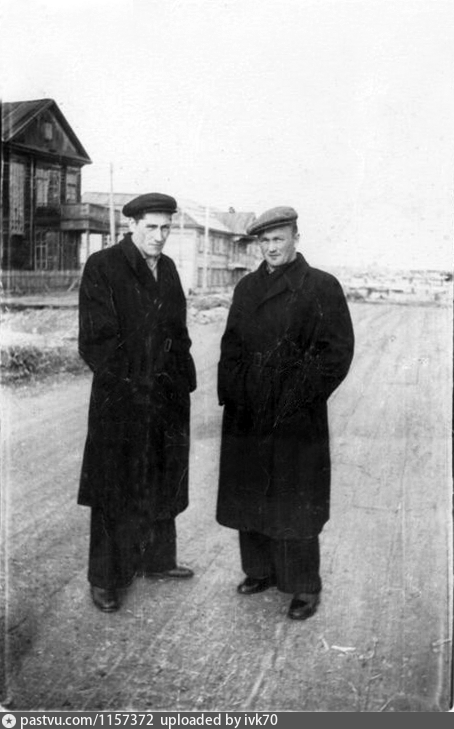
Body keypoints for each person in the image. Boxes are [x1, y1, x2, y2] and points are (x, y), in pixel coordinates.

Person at [216, 206, 354, 620]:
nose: (271, 248)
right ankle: (259, 571)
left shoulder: (321, 286)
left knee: (296, 498)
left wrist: (297, 395)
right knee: (251, 492)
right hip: (249, 409)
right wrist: (237, 393)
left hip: (295, 413)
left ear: (296, 238)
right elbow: (231, 346)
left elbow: (337, 352)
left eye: (278, 239)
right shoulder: (247, 288)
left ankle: (303, 585)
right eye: (264, 241)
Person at [78, 192, 196, 612]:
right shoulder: (104, 266)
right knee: (115, 486)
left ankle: (158, 560)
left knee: (162, 476)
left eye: (166, 228)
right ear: (131, 225)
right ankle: (106, 579)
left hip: (165, 395)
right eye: (151, 227)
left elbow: (178, 331)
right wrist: (133, 384)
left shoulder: (169, 268)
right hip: (122, 399)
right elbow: (96, 339)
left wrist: (182, 380)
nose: (159, 236)